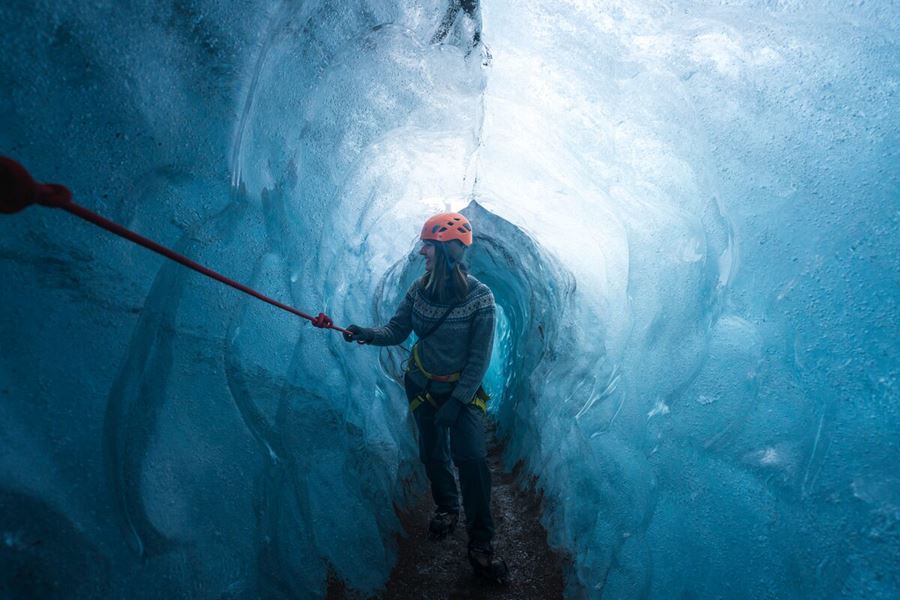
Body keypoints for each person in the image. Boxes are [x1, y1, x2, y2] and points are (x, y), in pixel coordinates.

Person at [343, 212, 509, 584]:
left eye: (428, 246)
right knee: (433, 454)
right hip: (422, 386)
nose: (421, 252)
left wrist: (457, 401)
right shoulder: (419, 290)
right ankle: (448, 508)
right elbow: (398, 329)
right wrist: (366, 334)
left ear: (447, 251)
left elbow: (478, 358)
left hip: (460, 394)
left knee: (474, 460)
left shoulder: (481, 298)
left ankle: (481, 545)